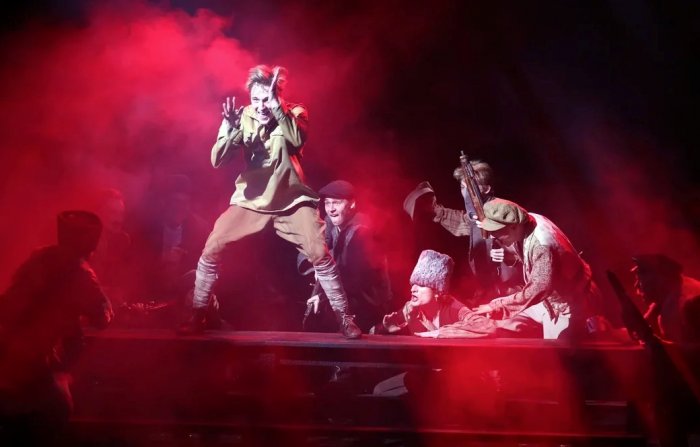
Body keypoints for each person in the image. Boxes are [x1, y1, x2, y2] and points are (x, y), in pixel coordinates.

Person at [178, 65, 360, 338]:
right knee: (213, 244)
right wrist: (231, 128)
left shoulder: (295, 112)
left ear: (278, 95)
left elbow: (296, 140)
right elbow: (218, 160)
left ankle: (344, 318)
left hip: (291, 199)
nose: (261, 106)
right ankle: (198, 313)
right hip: (251, 200)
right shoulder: (241, 116)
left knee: (319, 251)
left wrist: (277, 108)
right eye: (255, 99)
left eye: (267, 99)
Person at [0, 210, 113, 445]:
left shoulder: (39, 256)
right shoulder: (81, 274)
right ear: (92, 243)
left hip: (7, 349)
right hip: (27, 365)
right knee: (58, 407)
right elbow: (103, 317)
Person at [469, 198, 600, 339]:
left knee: (557, 349)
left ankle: (600, 327)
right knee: (497, 323)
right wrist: (509, 255)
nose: (493, 236)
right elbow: (530, 253)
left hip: (570, 305)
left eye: (496, 230)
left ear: (513, 226)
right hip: (549, 300)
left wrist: (497, 305)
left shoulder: (542, 246)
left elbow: (538, 289)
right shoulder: (527, 220)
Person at [403, 160, 522, 303]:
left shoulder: (506, 212)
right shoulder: (476, 216)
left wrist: (511, 254)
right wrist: (432, 208)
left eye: (470, 187)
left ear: (486, 189)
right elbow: (460, 221)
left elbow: (530, 249)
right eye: (462, 187)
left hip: (514, 292)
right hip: (490, 292)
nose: (465, 192)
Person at [301, 180, 392, 333]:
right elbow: (314, 249)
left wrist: (323, 296)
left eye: (336, 203)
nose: (331, 209)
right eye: (327, 203)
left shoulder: (362, 232)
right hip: (348, 301)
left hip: (368, 307)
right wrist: (316, 266)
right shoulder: (331, 224)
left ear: (352, 204)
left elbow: (356, 279)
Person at [370, 249, 469, 335]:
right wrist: (385, 329)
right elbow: (372, 332)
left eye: (421, 285)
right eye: (413, 284)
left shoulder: (455, 308)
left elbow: (478, 326)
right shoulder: (410, 309)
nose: (413, 289)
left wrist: (437, 332)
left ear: (437, 291)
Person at [632, 254, 700, 343]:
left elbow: (689, 349)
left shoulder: (681, 304)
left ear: (660, 279)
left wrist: (651, 341)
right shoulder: (670, 296)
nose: (636, 285)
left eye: (639, 280)